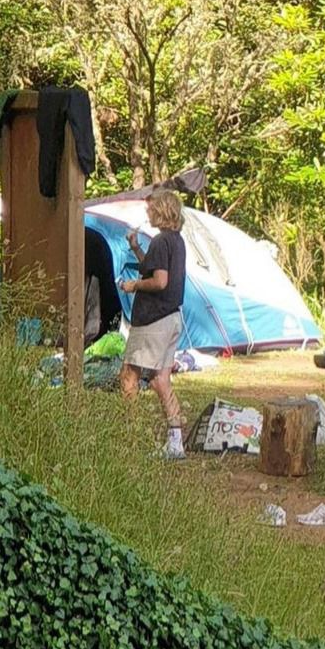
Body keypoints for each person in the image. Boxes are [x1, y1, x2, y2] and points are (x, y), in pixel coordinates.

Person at [118, 189, 187, 460]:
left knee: (128, 375)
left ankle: (131, 438)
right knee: (161, 380)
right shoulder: (176, 240)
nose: (147, 213)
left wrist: (134, 285)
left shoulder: (160, 240)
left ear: (161, 209)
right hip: (172, 317)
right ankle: (175, 442)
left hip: (153, 320)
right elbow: (155, 267)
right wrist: (135, 247)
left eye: (150, 208)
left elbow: (159, 281)